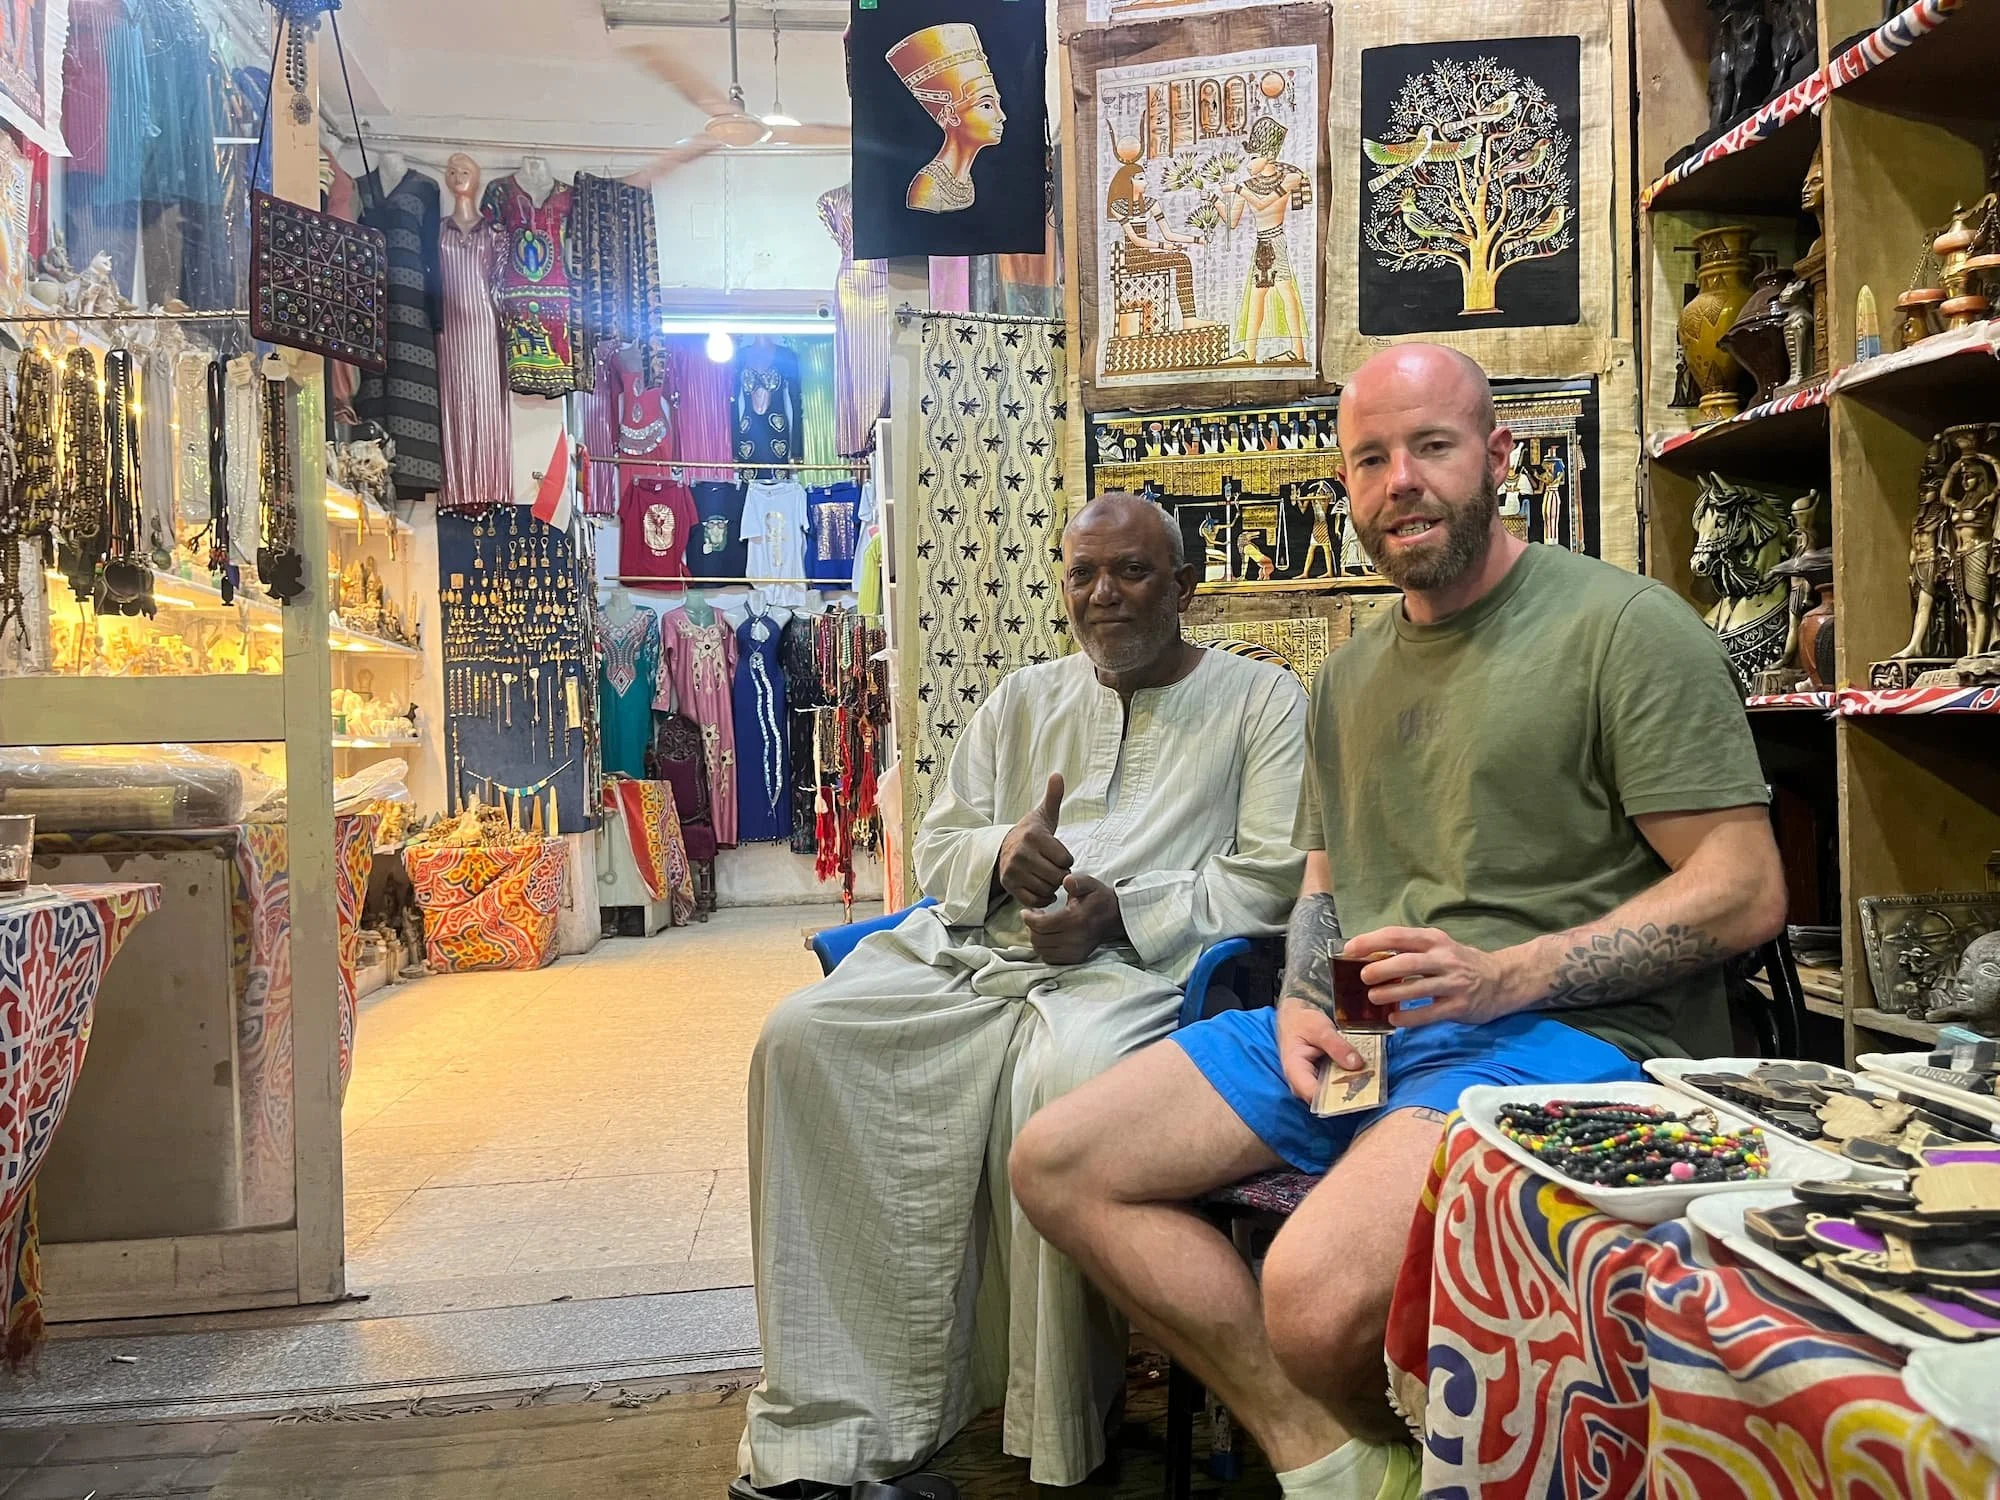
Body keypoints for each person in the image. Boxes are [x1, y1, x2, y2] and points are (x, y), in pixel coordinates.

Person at [1011, 345, 1786, 1500]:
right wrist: (1297, 999)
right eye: (1369, 459)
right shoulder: (1347, 674)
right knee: (1057, 1162)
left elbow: (1743, 886)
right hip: (1379, 1035)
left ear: (1498, 456)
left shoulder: (1622, 627)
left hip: (1572, 1039)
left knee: (1311, 1294)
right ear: (1345, 487)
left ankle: (1433, 1460)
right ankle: (1336, 1464)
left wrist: (1507, 977)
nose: (1399, 482)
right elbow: (1324, 884)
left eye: (1430, 446)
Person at [734, 493, 1310, 1498]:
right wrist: (1002, 853)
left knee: (1066, 1078)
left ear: (1184, 586)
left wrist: (1119, 914)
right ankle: (835, 1426)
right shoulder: (1021, 700)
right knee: (803, 1039)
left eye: (1131, 571)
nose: (1103, 593)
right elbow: (941, 844)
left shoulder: (1261, 702)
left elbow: (1271, 875)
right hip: (974, 953)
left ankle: (1056, 1421)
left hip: (1142, 969)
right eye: (1083, 573)